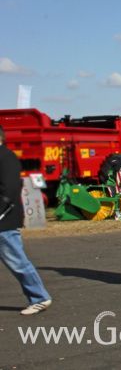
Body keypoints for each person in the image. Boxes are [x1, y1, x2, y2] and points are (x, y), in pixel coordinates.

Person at [0, 126, 52, 315]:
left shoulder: (6, 157)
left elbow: (9, 189)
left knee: (17, 261)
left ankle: (39, 297)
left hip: (4, 222)